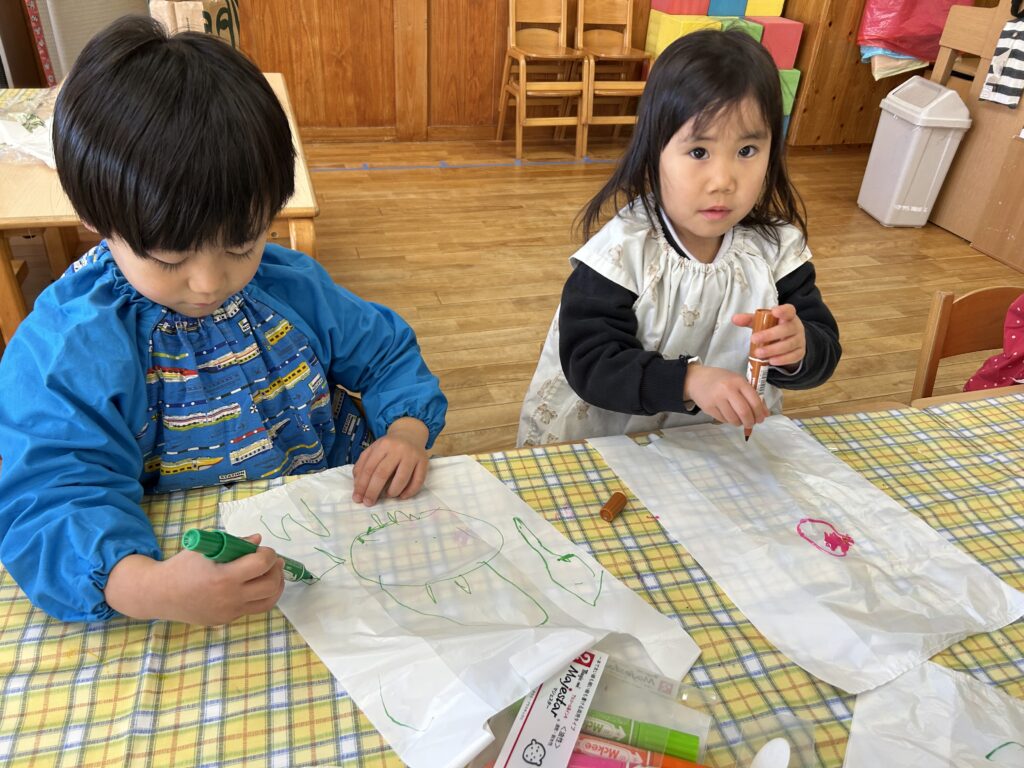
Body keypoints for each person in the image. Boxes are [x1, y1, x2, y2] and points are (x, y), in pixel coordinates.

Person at [0, 17, 447, 624]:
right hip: (188, 573)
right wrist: (146, 588)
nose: (210, 282)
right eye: (169, 258)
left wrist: (406, 432)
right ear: (95, 218)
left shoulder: (290, 287)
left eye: (242, 244)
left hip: (341, 530)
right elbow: (52, 496)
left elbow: (387, 354)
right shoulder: (69, 346)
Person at [518, 29, 841, 446]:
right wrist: (688, 380)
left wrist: (800, 350)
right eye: (699, 152)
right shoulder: (623, 252)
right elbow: (591, 363)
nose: (723, 181)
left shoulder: (777, 253)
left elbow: (823, 348)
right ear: (654, 151)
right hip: (613, 440)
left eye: (746, 151)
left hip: (717, 443)